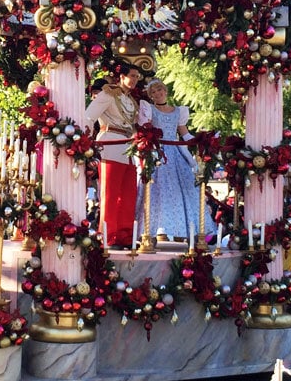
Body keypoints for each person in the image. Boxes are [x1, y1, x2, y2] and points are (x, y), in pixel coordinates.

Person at [135, 79, 215, 240]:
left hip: (176, 154)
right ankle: (159, 229)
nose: (158, 94)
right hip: (158, 154)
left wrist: (202, 140)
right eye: (154, 92)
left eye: (160, 90)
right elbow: (143, 129)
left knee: (183, 190)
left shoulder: (178, 111)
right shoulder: (149, 110)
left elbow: (185, 134)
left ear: (165, 91)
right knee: (159, 191)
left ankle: (183, 230)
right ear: (150, 96)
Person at [85, 64, 141, 247]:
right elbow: (89, 116)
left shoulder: (131, 101)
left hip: (127, 146)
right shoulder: (108, 93)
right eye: (131, 75)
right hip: (109, 142)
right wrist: (83, 140)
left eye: (137, 77)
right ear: (122, 77)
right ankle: (107, 236)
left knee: (128, 193)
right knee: (110, 193)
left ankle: (125, 236)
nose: (134, 80)